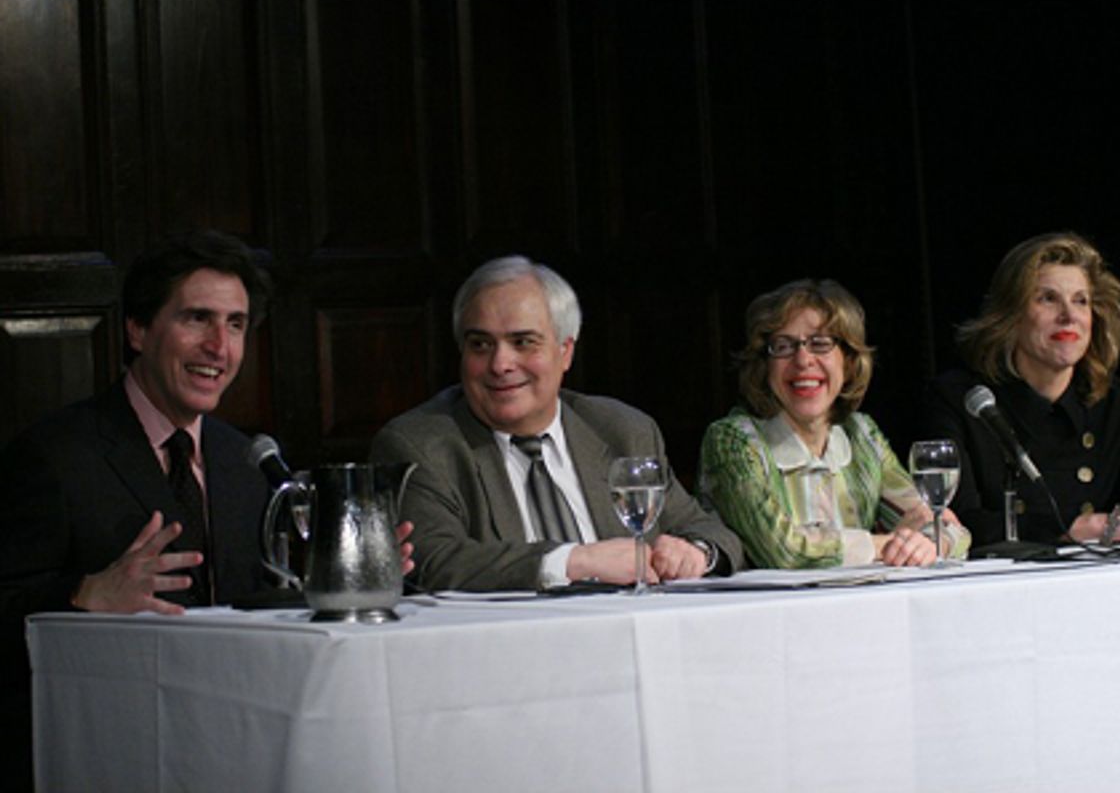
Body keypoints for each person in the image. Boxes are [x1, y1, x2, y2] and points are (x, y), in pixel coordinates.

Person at [0, 230, 414, 788]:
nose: (220, 347)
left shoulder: (245, 461)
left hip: (236, 752)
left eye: (236, 324)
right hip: (111, 758)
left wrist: (348, 577)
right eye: (197, 319)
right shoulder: (54, 455)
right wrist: (82, 596)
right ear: (138, 329)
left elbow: (260, 611)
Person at [370, 255, 743, 591]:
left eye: (523, 342)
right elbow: (436, 562)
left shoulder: (622, 430)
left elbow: (711, 531)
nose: (500, 364)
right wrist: (575, 561)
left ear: (565, 351)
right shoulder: (420, 445)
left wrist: (697, 552)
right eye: (480, 345)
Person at [924, 231, 1120, 548]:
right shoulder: (960, 398)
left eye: (1080, 301)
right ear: (1012, 316)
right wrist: (1082, 527)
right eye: (1048, 298)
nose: (1069, 316)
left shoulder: (1107, 400)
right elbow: (953, 523)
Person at [700, 279, 970, 568]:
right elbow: (785, 551)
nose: (803, 360)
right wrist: (889, 543)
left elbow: (947, 526)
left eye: (820, 344)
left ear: (849, 361)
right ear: (765, 365)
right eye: (783, 346)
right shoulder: (732, 441)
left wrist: (929, 543)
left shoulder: (861, 434)